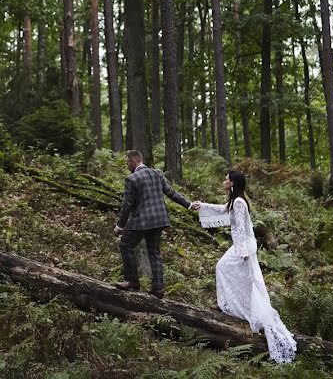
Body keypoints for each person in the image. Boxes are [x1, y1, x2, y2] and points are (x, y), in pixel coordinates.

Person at [193, 171, 297, 363]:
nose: (224, 181)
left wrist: (242, 253)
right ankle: (235, 306)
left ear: (232, 183)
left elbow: (240, 227)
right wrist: (202, 205)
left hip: (245, 246)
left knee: (226, 270)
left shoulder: (239, 202)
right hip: (243, 246)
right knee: (236, 275)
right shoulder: (236, 200)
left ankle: (237, 308)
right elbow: (222, 209)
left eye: (226, 178)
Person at [113, 150, 199, 299]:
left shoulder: (131, 179)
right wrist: (189, 204)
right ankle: (158, 288)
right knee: (154, 251)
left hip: (141, 220)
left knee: (125, 245)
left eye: (128, 163)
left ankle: (132, 280)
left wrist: (120, 226)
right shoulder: (157, 173)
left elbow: (127, 205)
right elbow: (171, 192)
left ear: (134, 161)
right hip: (159, 220)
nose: (127, 166)